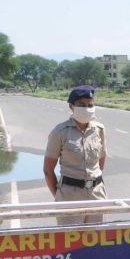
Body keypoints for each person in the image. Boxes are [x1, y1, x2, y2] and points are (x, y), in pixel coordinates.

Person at [43, 85, 108, 225]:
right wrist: (59, 196)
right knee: (70, 241)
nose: (87, 108)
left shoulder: (99, 130)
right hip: (69, 196)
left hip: (96, 195)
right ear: (71, 106)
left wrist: (93, 181)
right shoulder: (60, 132)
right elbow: (48, 170)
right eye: (82, 105)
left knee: (96, 240)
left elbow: (101, 160)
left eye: (90, 105)